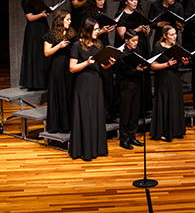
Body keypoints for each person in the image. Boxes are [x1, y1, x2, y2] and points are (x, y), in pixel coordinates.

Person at [69, 18, 115, 161]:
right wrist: (86, 62)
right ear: (87, 30)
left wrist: (109, 64)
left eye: (97, 29)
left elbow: (102, 65)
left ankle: (97, 148)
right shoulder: (77, 46)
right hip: (83, 82)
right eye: (95, 29)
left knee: (96, 113)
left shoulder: (98, 44)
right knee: (85, 113)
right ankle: (84, 150)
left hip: (96, 81)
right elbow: (72, 68)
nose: (97, 31)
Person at [150, 26, 188, 142]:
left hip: (175, 79)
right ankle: (162, 132)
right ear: (165, 36)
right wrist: (167, 64)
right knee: (164, 104)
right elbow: (153, 65)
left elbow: (182, 62)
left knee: (175, 103)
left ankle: (176, 130)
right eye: (171, 35)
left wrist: (185, 62)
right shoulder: (158, 47)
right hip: (163, 79)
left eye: (175, 34)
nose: (174, 37)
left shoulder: (177, 47)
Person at [43, 10, 76, 133]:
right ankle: (57, 125)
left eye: (70, 19)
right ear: (61, 20)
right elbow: (46, 52)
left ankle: (68, 124)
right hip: (57, 66)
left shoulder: (71, 32)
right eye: (68, 19)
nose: (70, 21)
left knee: (68, 93)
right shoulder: (51, 34)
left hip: (68, 65)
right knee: (59, 93)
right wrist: (59, 46)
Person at [114, 29, 146, 150]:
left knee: (135, 112)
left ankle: (132, 136)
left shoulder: (137, 51)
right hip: (125, 86)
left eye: (137, 40)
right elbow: (122, 72)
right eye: (133, 41)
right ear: (126, 41)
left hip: (136, 84)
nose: (135, 43)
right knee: (126, 113)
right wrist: (135, 70)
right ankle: (123, 139)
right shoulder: (122, 54)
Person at [20, 0, 50, 90]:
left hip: (43, 26)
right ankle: (34, 83)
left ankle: (44, 82)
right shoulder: (25, 0)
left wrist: (47, 10)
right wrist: (41, 15)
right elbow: (30, 17)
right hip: (33, 29)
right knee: (35, 53)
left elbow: (42, 8)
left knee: (43, 53)